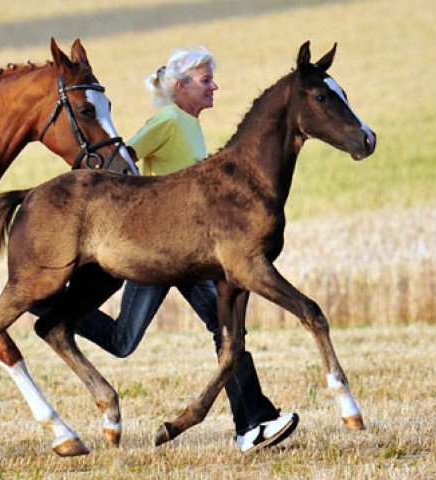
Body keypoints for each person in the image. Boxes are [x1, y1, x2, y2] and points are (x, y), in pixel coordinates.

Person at [75, 46, 298, 453]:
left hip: (193, 253)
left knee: (226, 329)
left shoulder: (190, 125)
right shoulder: (168, 120)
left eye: (213, 79)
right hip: (157, 248)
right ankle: (51, 311)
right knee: (123, 341)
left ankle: (253, 424)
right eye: (206, 80)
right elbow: (121, 162)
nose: (215, 86)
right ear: (180, 87)